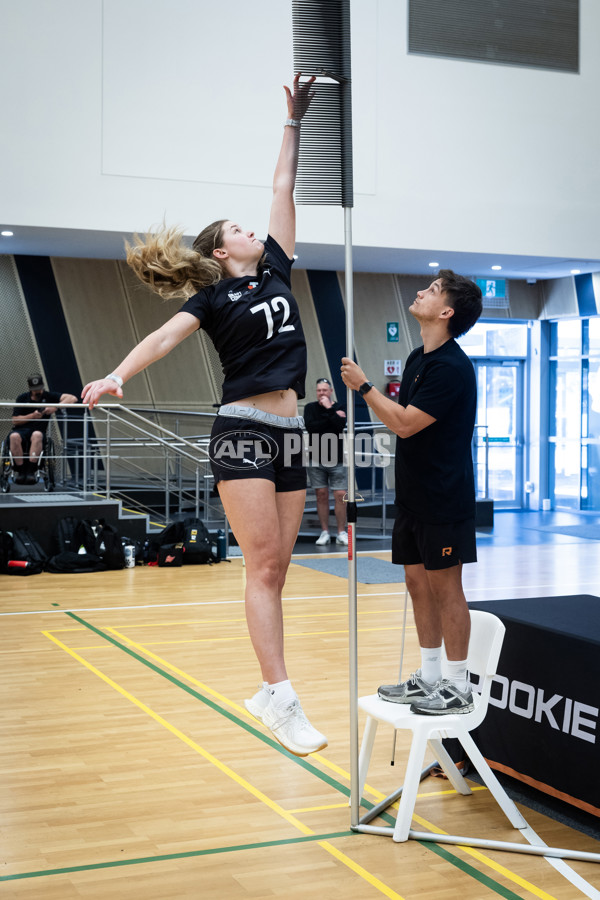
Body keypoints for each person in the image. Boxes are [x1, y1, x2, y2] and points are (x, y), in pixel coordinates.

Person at [81, 74, 327, 757]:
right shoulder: (214, 302)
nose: (254, 230)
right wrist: (117, 374)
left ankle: (269, 694)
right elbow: (162, 338)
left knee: (280, 568)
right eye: (240, 230)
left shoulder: (276, 270)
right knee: (263, 563)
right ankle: (280, 697)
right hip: (244, 430)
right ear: (223, 252)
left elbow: (281, 190)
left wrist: (293, 122)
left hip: (292, 430)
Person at [341, 270, 482, 715]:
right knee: (416, 583)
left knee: (446, 588)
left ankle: (458, 687)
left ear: (446, 312)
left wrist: (364, 388)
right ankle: (430, 677)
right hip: (414, 495)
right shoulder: (418, 356)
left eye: (433, 290)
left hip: (444, 497)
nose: (421, 292)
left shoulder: (451, 368)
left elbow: (403, 422)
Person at [303, 377, 348, 545]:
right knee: (321, 495)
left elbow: (339, 426)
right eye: (319, 390)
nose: (321, 393)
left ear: (331, 391)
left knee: (340, 495)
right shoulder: (310, 408)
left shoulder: (339, 406)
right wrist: (332, 417)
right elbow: (311, 427)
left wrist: (330, 410)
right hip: (316, 459)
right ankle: (324, 532)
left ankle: (341, 532)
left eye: (324, 390)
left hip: (336, 459)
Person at [10, 374, 77, 484]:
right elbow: (15, 420)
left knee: (37, 435)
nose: (38, 391)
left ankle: (31, 470)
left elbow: (72, 398)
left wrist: (55, 407)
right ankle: (21, 471)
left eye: (39, 388)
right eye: (35, 389)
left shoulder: (49, 396)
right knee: (14, 436)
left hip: (39, 431)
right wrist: (32, 416)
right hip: (21, 430)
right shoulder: (22, 398)